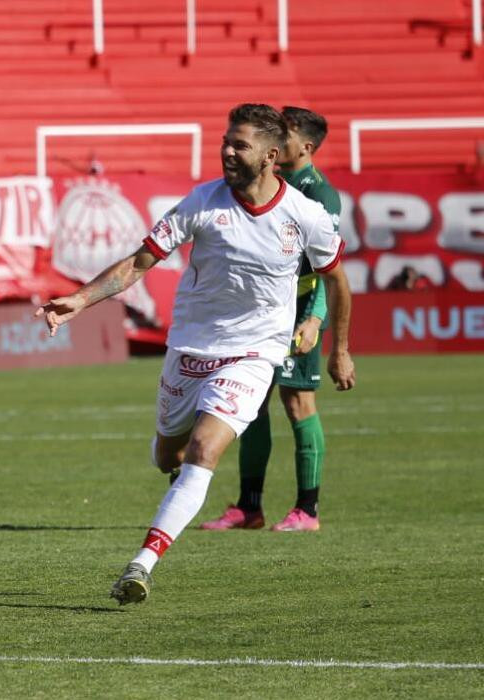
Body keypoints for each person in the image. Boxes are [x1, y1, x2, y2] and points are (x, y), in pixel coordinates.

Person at [36, 104, 355, 606]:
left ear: (272, 156)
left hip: (254, 354)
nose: (227, 150)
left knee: (205, 450)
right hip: (189, 350)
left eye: (239, 144)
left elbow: (337, 279)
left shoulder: (306, 214)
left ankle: (142, 564)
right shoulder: (202, 202)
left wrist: (341, 349)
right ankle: (173, 462)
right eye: (226, 141)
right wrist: (80, 299)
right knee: (171, 454)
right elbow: (141, 261)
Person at [200, 106, 340, 533]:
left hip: (298, 314)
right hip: (261, 315)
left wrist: (315, 321)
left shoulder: (319, 194)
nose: (279, 138)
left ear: (305, 146)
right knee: (251, 405)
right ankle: (249, 507)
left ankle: (308, 510)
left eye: (288, 133)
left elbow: (329, 270)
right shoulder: (266, 184)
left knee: (298, 403)